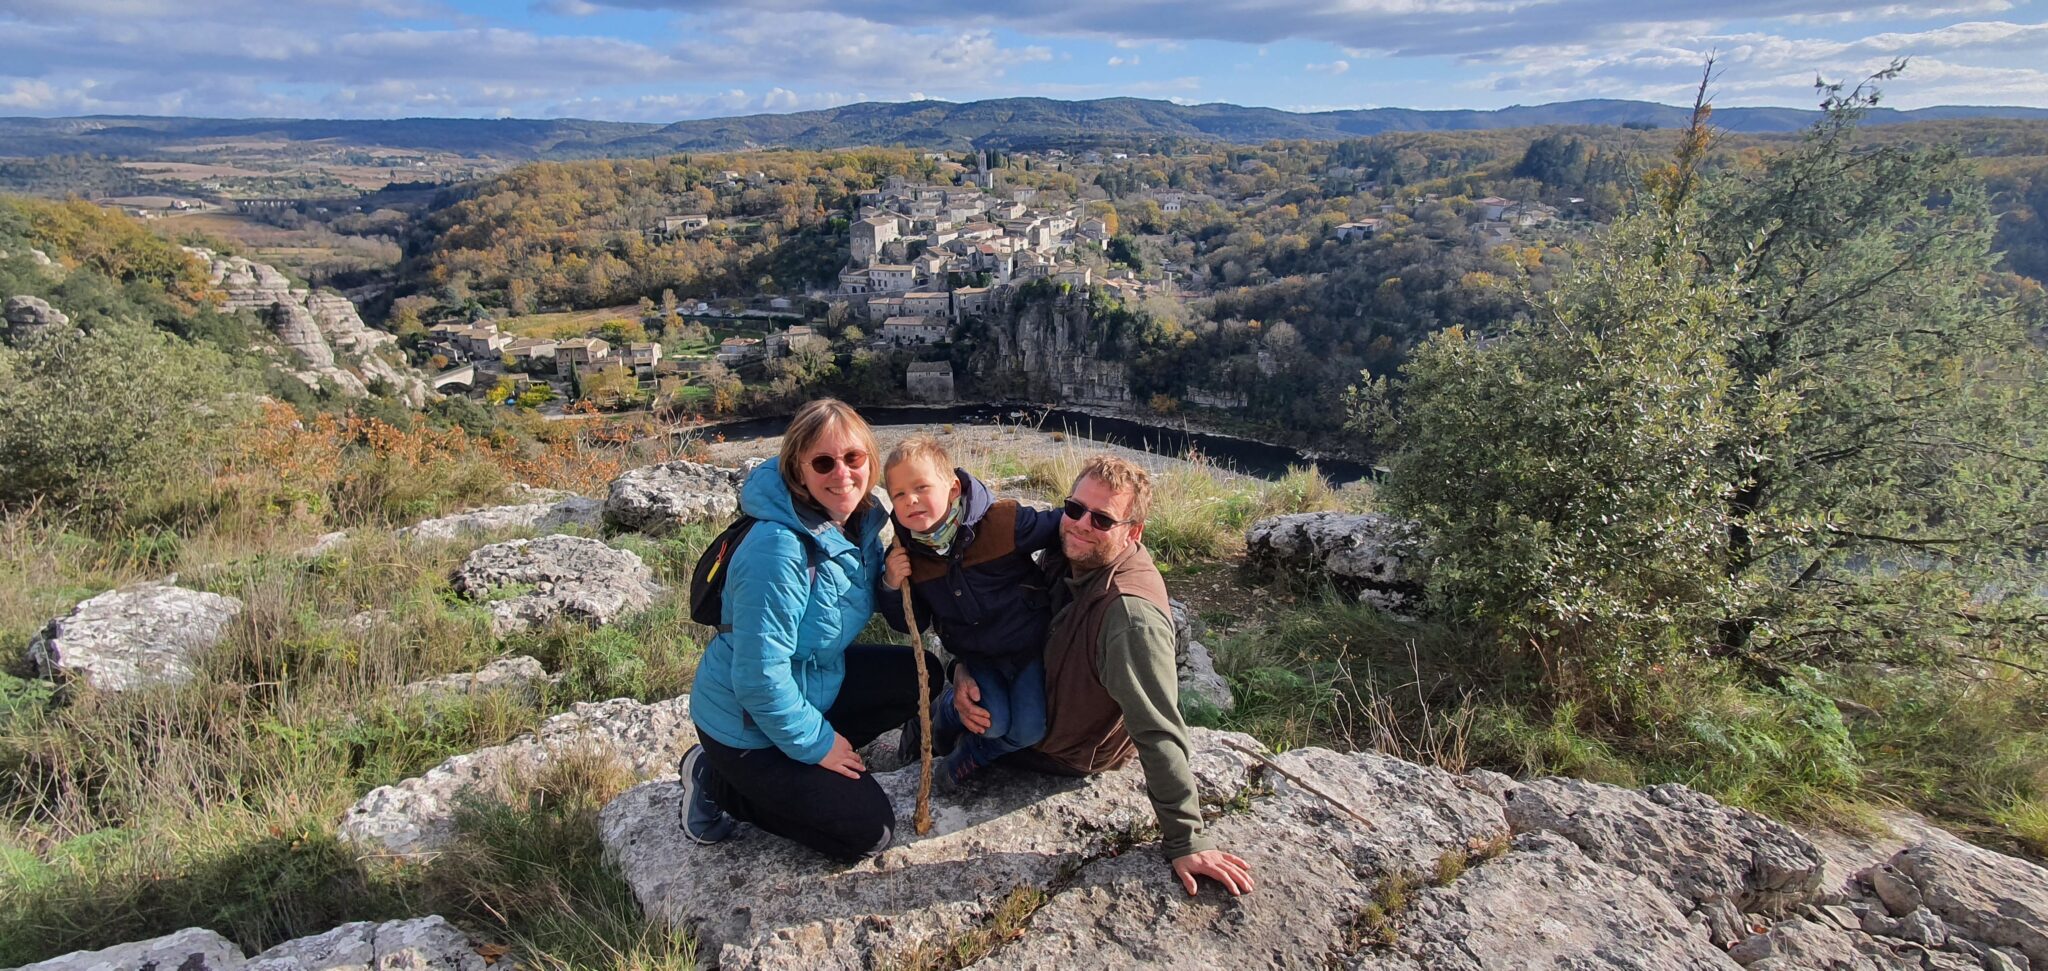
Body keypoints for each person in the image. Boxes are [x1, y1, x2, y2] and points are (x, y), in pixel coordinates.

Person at [975, 454, 1257, 897]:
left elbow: (1158, 728)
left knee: (937, 725)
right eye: (1074, 510)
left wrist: (1186, 839)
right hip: (1035, 696)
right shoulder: (1068, 556)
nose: (1082, 524)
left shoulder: (1128, 615)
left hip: (1055, 747)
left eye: (1103, 519)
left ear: (1133, 532)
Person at [678, 398, 942, 861]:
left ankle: (797, 768)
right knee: (867, 831)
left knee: (924, 679)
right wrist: (819, 745)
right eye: (823, 462)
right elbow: (759, 679)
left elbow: (901, 621)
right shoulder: (776, 551)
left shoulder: (859, 523)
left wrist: (887, 581)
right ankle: (715, 780)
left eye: (853, 458)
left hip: (814, 682)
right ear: (799, 472)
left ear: (869, 461)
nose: (842, 473)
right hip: (744, 726)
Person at [876, 436, 1065, 787]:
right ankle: (940, 716)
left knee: (1027, 730)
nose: (910, 500)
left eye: (921, 487)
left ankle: (972, 754)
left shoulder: (1001, 523)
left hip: (1028, 650)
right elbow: (911, 623)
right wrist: (890, 584)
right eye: (898, 494)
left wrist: (1106, 530)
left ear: (952, 488)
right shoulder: (907, 554)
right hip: (978, 659)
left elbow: (1061, 526)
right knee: (991, 721)